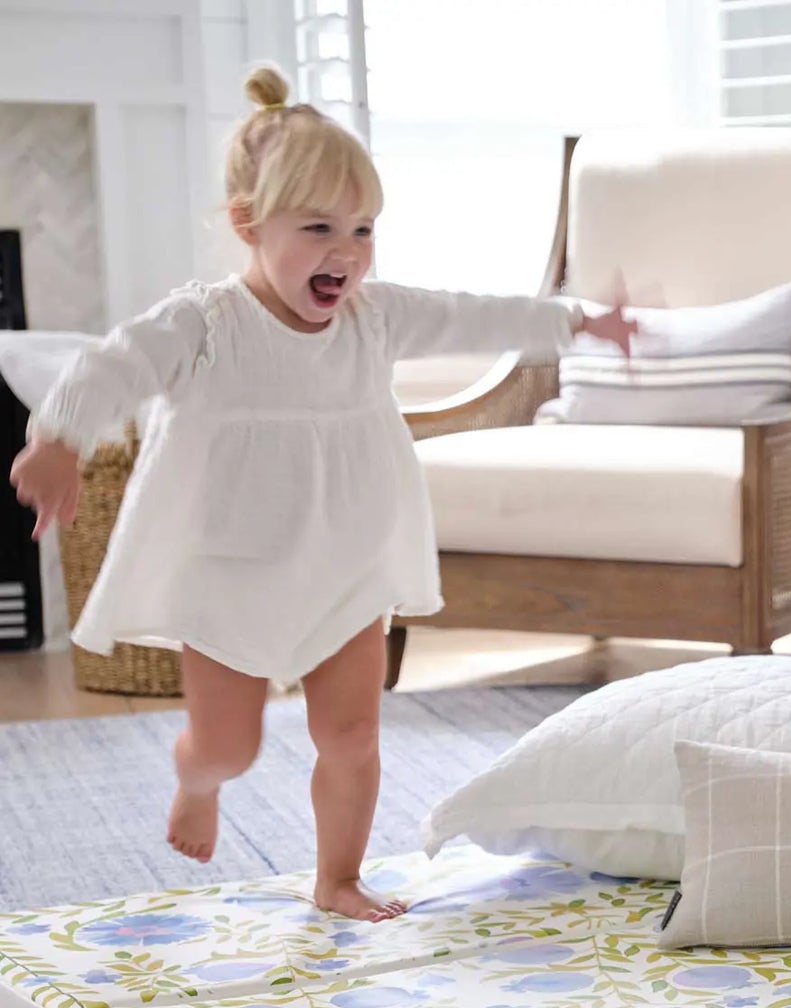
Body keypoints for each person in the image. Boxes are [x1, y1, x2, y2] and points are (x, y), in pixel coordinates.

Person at [8, 64, 635, 922]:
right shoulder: (205, 323)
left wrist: (575, 319)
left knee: (352, 736)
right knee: (230, 744)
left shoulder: (374, 315)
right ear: (248, 224)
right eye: (318, 228)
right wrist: (55, 440)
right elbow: (108, 366)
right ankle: (198, 780)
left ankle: (336, 877)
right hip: (229, 564)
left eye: (363, 229)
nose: (346, 251)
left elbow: (472, 314)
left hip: (346, 559)